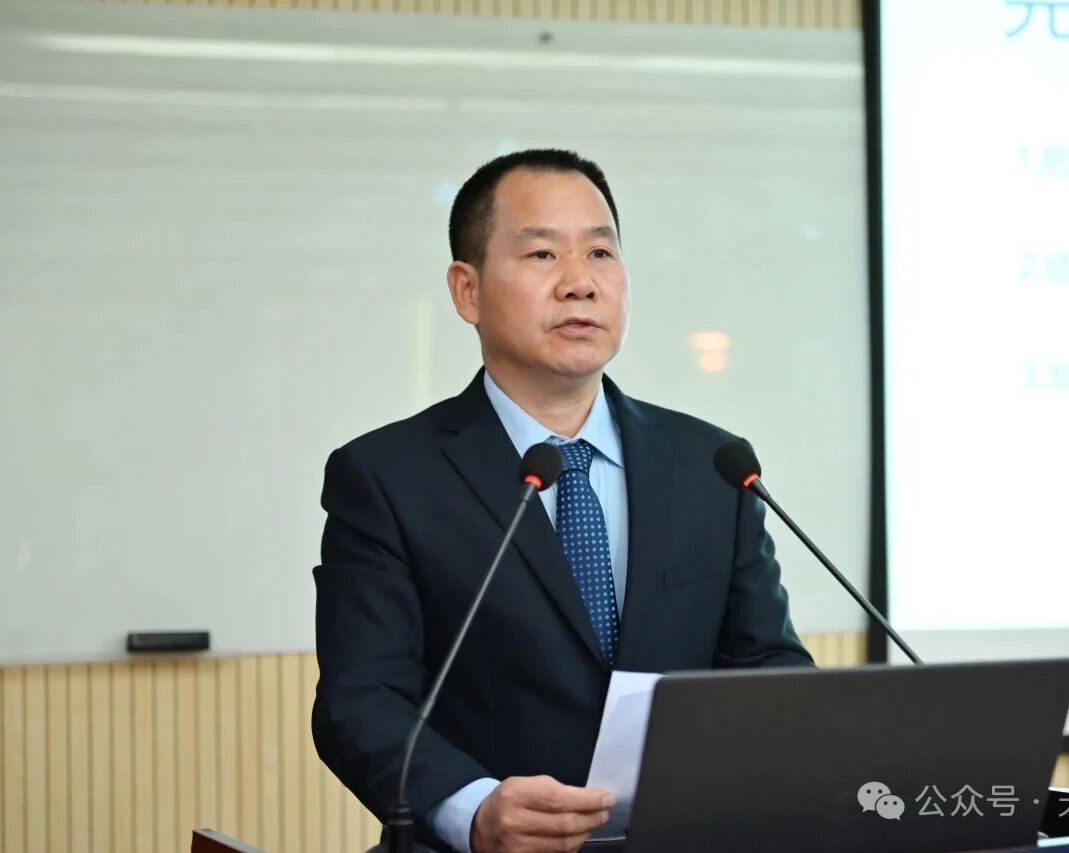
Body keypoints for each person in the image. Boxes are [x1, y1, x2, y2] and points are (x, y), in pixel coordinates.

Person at [312, 149, 813, 853]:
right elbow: (362, 699)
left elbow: (768, 668)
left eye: (600, 252)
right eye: (543, 253)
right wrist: (473, 809)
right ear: (467, 290)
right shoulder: (387, 477)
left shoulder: (712, 465)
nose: (580, 283)